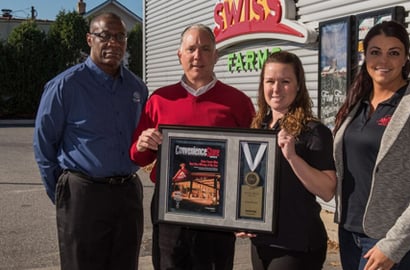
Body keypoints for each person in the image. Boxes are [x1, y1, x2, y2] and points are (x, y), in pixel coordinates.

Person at [130, 24, 255, 269]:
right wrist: (143, 143)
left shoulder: (238, 102)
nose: (198, 55)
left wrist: (247, 209)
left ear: (216, 55)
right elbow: (137, 157)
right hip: (171, 210)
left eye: (205, 49)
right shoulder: (159, 99)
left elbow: (251, 160)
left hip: (217, 212)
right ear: (180, 55)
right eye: (191, 49)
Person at [33, 12, 148, 270]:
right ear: (89, 39)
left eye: (120, 37)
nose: (114, 43)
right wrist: (65, 193)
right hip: (83, 195)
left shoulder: (137, 88)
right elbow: (43, 144)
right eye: (104, 36)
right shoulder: (65, 85)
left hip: (127, 195)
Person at [333, 20, 410, 270]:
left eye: (393, 53)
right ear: (365, 56)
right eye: (376, 52)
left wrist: (393, 244)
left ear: (406, 58)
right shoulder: (356, 104)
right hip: (349, 233)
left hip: (391, 239)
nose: (383, 60)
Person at [238, 51, 337, 269]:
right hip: (262, 241)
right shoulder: (258, 128)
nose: (276, 89)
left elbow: (327, 190)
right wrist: (242, 217)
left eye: (285, 81)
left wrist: (293, 157)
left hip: (296, 244)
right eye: (270, 81)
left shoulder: (313, 131)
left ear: (298, 85)